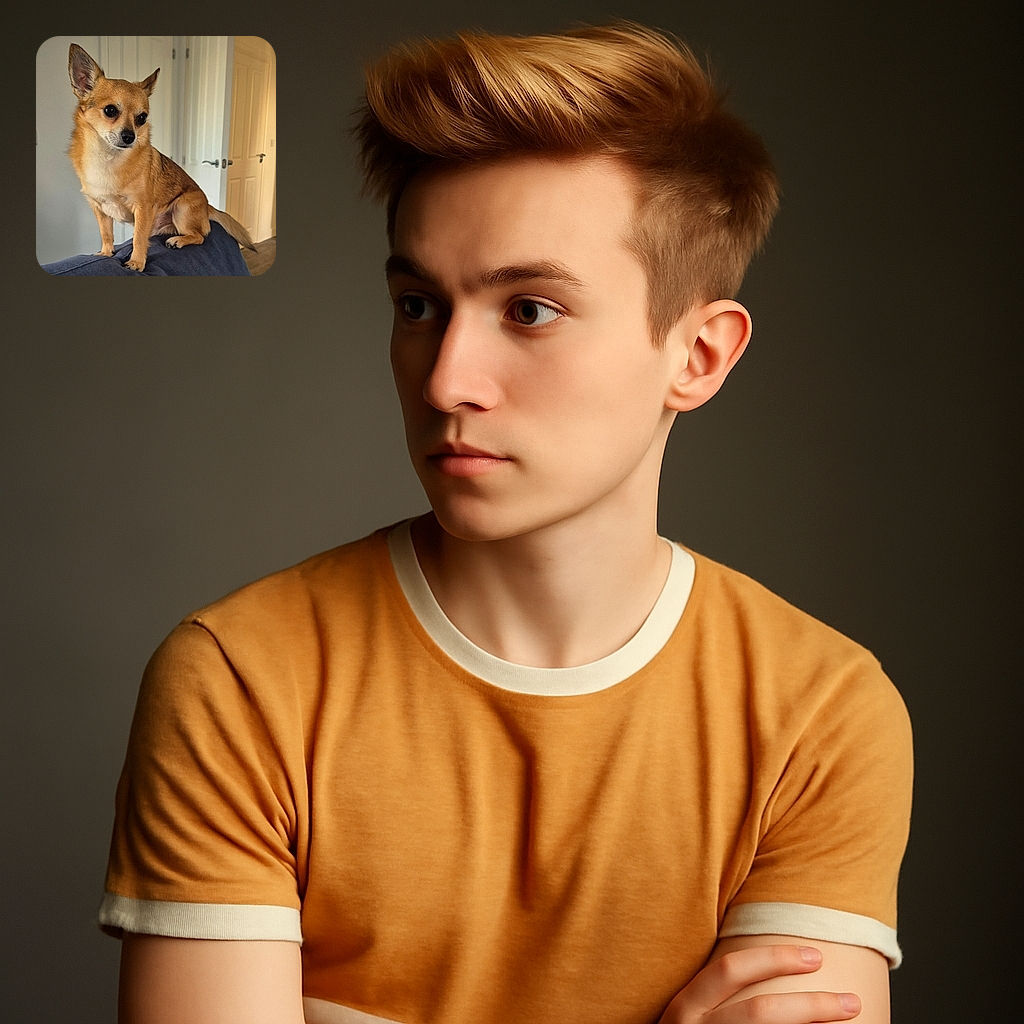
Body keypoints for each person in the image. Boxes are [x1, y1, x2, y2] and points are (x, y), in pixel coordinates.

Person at [99, 22, 912, 1024]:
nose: (446, 380)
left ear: (697, 356)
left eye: (530, 310)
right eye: (417, 306)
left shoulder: (820, 713)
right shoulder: (241, 678)